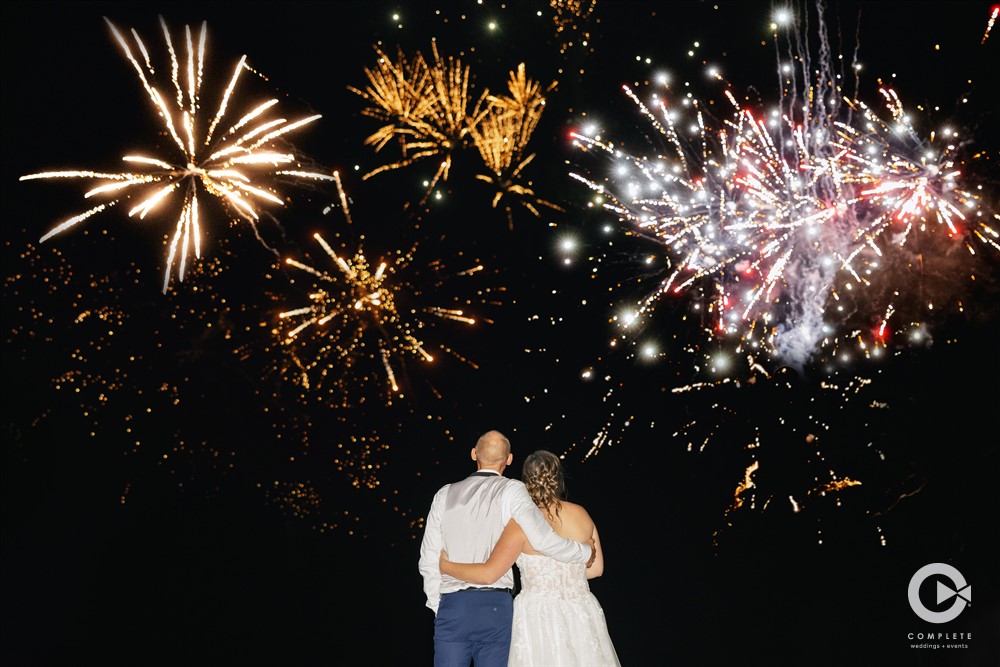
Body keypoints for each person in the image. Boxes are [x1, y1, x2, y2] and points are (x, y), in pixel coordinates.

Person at [418, 431, 596, 667]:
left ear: (474, 454)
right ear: (509, 459)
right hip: (495, 607)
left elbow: (428, 558)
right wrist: (585, 552)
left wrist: (439, 606)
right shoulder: (513, 490)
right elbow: (543, 540)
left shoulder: (444, 494)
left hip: (453, 606)